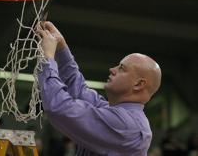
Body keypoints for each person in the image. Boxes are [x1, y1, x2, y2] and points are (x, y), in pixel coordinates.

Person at [36, 21, 162, 155]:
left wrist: (49, 58)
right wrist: (61, 48)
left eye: (122, 68)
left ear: (138, 84)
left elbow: (59, 107)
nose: (112, 70)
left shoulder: (126, 125)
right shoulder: (113, 111)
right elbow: (78, 89)